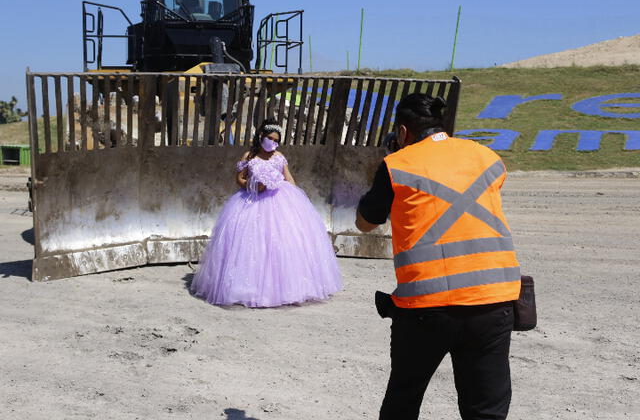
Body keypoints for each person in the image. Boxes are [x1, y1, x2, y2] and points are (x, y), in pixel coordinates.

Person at [355, 93, 521, 420]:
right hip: (493, 301)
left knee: (404, 399)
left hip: (426, 307)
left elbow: (365, 224)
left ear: (402, 132)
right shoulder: (487, 156)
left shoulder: (397, 164)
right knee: (486, 409)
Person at [191, 118, 342, 307]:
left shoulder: (278, 156)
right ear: (261, 136)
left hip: (279, 203)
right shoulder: (249, 156)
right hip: (251, 202)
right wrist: (254, 185)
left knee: (281, 243)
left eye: (276, 140)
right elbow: (239, 179)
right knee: (250, 244)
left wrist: (295, 199)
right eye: (270, 138)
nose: (273, 143)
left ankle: (284, 288)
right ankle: (249, 287)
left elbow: (289, 180)